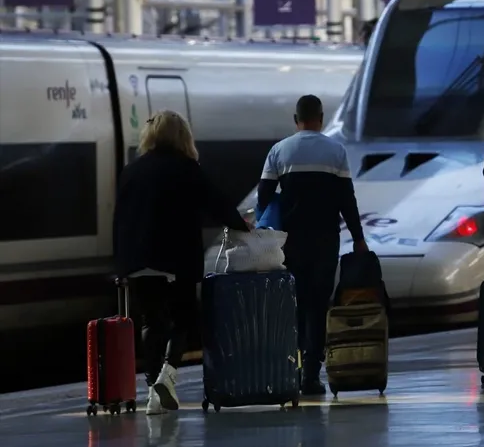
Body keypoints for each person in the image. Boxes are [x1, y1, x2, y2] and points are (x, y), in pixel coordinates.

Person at [113, 110, 249, 416]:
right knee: (183, 319)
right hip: (175, 257)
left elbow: (119, 218)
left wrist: (121, 263)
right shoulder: (186, 168)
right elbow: (216, 202)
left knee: (151, 322)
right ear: (182, 136)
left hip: (137, 259)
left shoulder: (131, 171)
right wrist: (240, 224)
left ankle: (152, 392)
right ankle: (168, 376)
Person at [257, 95, 369, 396]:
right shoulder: (336, 151)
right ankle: (310, 376)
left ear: (296, 120)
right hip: (325, 241)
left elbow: (263, 197)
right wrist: (358, 237)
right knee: (318, 306)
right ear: (320, 118)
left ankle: (290, 371)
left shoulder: (279, 151)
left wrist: (262, 227)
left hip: (290, 242)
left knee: (294, 304)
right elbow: (347, 198)